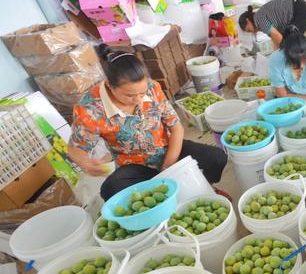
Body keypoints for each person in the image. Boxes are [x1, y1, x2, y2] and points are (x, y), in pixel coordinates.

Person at [68, 45, 227, 201]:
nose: (138, 99)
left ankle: (204, 185)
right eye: (129, 95)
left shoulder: (152, 87)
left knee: (215, 157)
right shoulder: (89, 109)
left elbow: (176, 127)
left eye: (142, 93)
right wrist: (87, 163)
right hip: (134, 164)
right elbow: (76, 149)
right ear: (110, 86)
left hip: (168, 150)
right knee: (111, 190)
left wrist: (168, 168)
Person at [238, 0, 306, 49]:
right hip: (299, 7)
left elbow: (278, 37)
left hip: (299, 10)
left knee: (293, 44)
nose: (251, 32)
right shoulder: (260, 19)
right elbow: (275, 38)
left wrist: (278, 54)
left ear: (248, 20)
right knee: (290, 43)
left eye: (248, 30)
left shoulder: (258, 20)